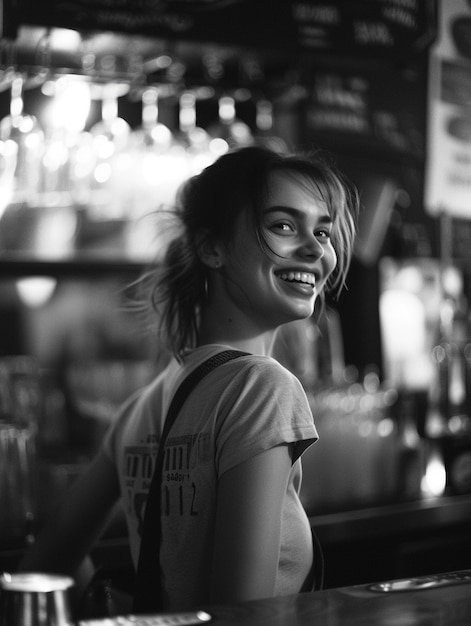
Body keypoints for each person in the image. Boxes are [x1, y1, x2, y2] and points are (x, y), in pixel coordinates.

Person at [18, 145, 358, 613]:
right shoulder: (262, 388)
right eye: (283, 225)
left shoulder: (141, 405)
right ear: (211, 247)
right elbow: (244, 614)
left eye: (322, 230)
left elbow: (43, 566)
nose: (317, 248)